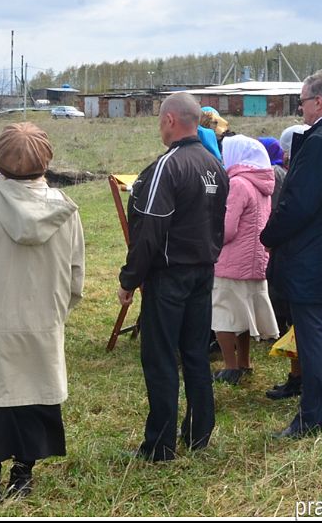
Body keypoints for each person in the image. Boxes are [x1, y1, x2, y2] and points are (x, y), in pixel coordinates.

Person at [0, 123, 84, 501]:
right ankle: (23, 476)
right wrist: (53, 314)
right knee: (35, 396)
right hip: (41, 322)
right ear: (46, 159)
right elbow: (75, 277)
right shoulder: (65, 211)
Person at [117, 92, 227, 461]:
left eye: (159, 120)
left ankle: (160, 445)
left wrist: (129, 279)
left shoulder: (169, 165)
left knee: (161, 358)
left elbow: (150, 230)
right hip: (204, 273)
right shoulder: (215, 164)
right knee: (195, 354)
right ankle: (199, 434)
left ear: (169, 120)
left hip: (170, 277)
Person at [259, 70, 322, 439]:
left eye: (301, 101)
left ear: (319, 101)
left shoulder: (321, 141)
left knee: (312, 334)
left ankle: (312, 417)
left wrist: (268, 235)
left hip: (311, 253)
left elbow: (299, 204)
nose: (300, 107)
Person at [210, 135, 279, 385]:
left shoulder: (238, 184)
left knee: (223, 316)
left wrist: (209, 228)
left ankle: (230, 367)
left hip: (231, 262)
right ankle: (245, 363)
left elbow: (228, 229)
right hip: (255, 261)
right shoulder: (261, 185)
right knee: (245, 316)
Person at [264, 123, 309, 402]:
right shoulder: (296, 175)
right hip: (295, 260)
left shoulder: (296, 179)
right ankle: (297, 376)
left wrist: (269, 237)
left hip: (294, 260)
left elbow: (283, 216)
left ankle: (299, 378)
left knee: (296, 323)